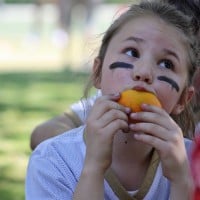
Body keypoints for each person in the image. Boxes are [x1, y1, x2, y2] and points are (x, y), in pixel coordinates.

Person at [26, 1, 200, 199]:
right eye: (132, 52)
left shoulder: (193, 161)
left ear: (184, 99)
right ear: (98, 72)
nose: (143, 72)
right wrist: (93, 168)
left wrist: (182, 181)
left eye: (167, 63)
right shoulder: (52, 161)